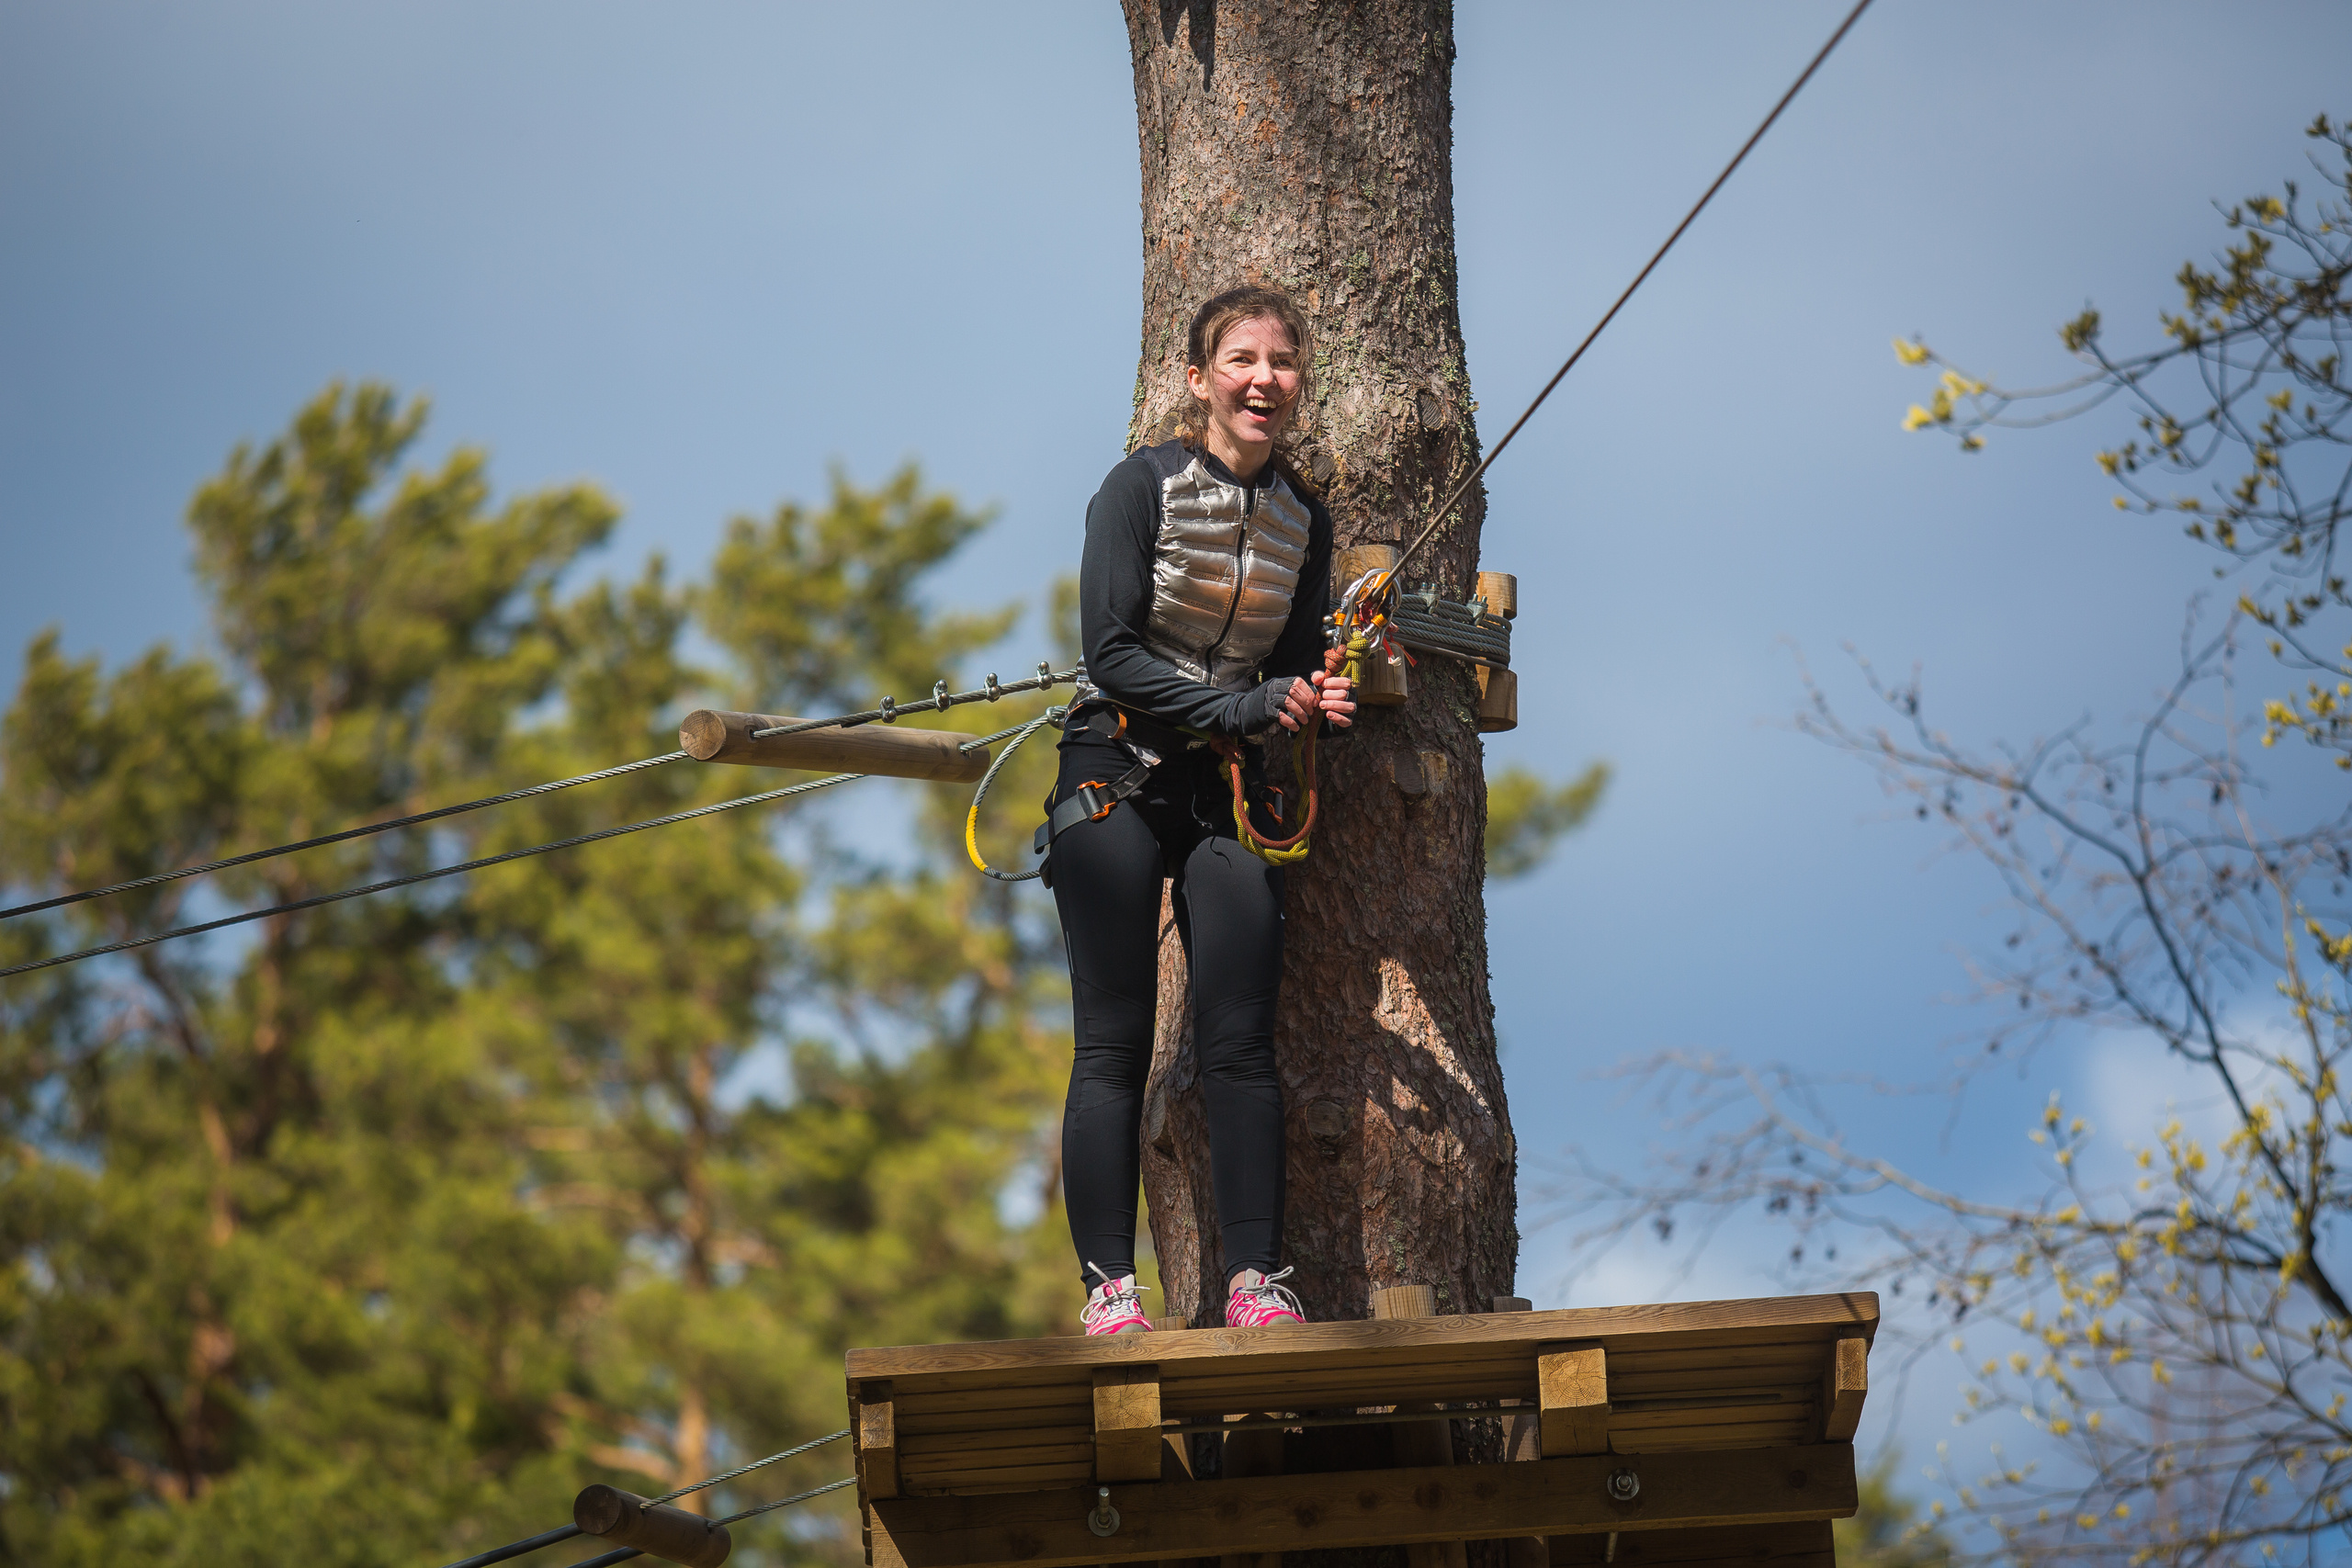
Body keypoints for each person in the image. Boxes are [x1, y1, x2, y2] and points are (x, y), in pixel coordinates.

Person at [1041, 285, 1355, 1336]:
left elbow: (1297, 660)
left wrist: (1322, 693)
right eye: (1241, 360)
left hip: (1221, 792)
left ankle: (1255, 1282)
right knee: (1114, 1041)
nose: (1264, 378)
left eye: (1282, 361)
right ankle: (1110, 1292)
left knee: (1240, 1041)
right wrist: (1240, 702)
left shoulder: (1303, 518)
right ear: (1199, 380)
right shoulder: (1141, 488)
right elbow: (1113, 653)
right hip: (1115, 772)